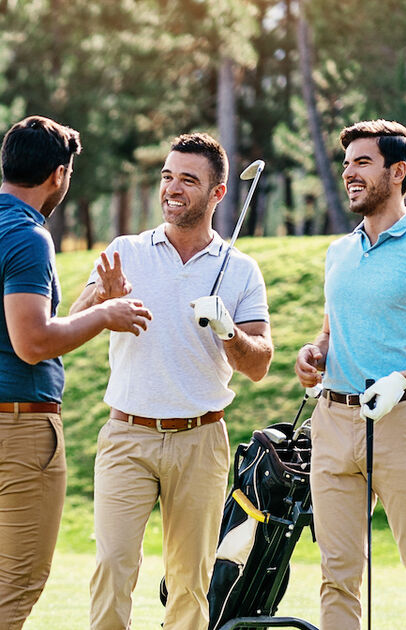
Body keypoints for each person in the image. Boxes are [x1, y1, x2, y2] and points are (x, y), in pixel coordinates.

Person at [0, 115, 154, 630]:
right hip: (20, 432)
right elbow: (33, 343)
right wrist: (105, 316)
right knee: (18, 586)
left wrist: (94, 299)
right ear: (59, 175)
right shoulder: (29, 237)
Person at [69, 132, 274, 630]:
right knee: (114, 567)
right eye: (167, 177)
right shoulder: (126, 251)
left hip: (201, 439)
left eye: (188, 179)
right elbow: (70, 321)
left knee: (190, 580)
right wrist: (104, 303)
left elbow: (259, 363)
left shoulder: (241, 270)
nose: (172, 189)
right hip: (127, 436)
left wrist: (228, 332)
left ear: (218, 193)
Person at [294, 119, 406, 630]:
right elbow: (330, 334)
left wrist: (403, 379)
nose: (349, 172)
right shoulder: (339, 251)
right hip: (331, 423)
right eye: (347, 162)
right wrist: (316, 353)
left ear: (397, 172)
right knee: (337, 574)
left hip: (399, 425)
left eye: (362, 162)